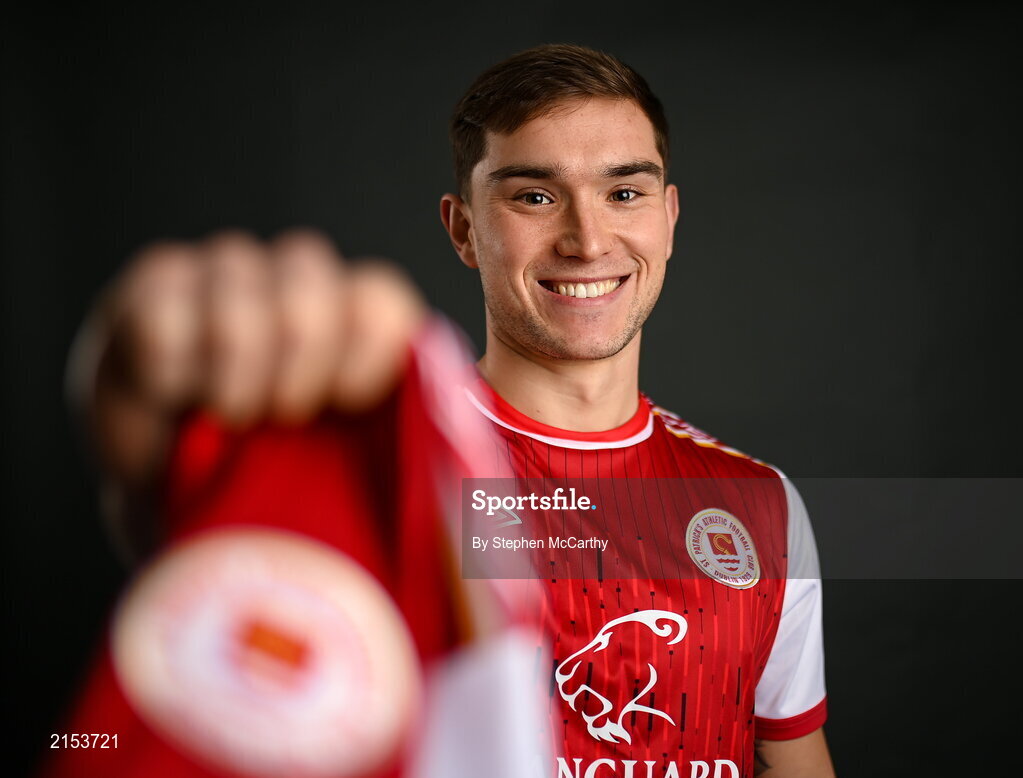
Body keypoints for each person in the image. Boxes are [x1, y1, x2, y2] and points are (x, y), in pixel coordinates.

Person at [65, 44, 834, 777]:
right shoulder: (380, 462)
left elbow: (790, 757)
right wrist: (143, 393)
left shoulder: (758, 506)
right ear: (463, 228)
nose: (587, 237)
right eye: (534, 196)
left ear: (667, 218)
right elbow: (197, 596)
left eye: (623, 193)